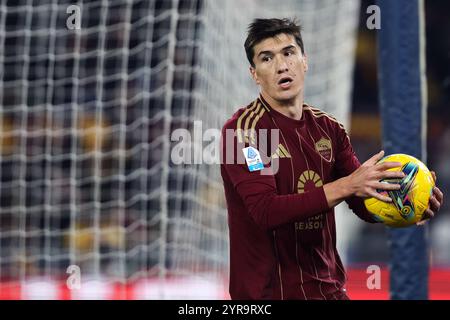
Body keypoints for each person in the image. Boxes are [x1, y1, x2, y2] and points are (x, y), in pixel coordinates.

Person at [219, 18, 444, 300]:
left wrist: (406, 201)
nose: (281, 65)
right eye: (267, 58)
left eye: (288, 53)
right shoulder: (241, 133)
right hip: (268, 296)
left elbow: (362, 203)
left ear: (304, 61)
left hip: (329, 291)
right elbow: (265, 212)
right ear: (255, 74)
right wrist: (347, 185)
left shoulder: (329, 128)